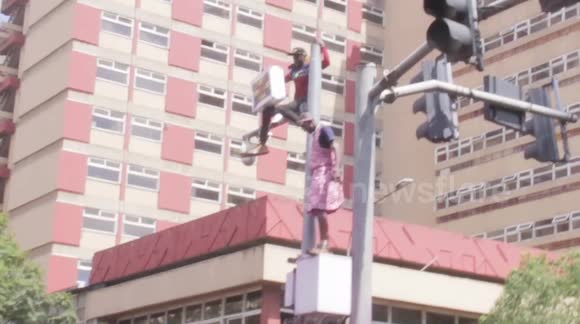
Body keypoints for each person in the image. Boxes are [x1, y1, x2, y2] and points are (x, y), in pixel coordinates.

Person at [242, 40, 330, 157]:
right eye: (293, 57)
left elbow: (327, 62)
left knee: (287, 110)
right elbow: (279, 80)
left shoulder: (310, 67)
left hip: (305, 103)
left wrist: (323, 47)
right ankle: (262, 144)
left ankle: (307, 127)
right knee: (268, 110)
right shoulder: (294, 71)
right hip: (296, 103)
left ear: (303, 56)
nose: (294, 59)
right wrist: (265, 79)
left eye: (296, 57)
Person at [299, 112, 344, 254]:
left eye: (304, 126)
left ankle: (325, 242)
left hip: (324, 173)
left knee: (320, 207)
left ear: (309, 122)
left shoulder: (324, 129)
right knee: (317, 209)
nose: (304, 129)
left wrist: (336, 167)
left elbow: (336, 145)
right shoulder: (316, 134)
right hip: (318, 174)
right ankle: (323, 242)